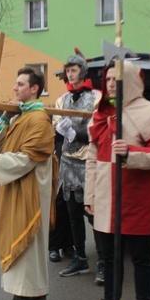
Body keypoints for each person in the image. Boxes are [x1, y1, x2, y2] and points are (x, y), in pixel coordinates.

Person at [81, 60, 150, 300]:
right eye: (108, 79)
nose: (110, 83)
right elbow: (92, 159)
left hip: (138, 200)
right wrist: (89, 196)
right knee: (109, 260)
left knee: (141, 260)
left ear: (132, 81)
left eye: (116, 79)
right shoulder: (101, 115)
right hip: (106, 200)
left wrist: (131, 153)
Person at [0, 67, 55, 300]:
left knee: (31, 246)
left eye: (20, 84)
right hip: (13, 190)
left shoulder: (39, 119)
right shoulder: (19, 117)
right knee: (13, 241)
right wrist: (5, 117)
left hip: (31, 192)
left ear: (34, 89)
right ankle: (20, 296)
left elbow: (28, 159)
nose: (14, 88)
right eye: (16, 83)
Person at [52, 49, 104, 282]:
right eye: (67, 71)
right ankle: (80, 257)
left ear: (82, 71)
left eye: (73, 70)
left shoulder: (97, 97)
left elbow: (100, 126)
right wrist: (62, 131)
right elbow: (56, 121)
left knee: (94, 215)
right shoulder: (61, 100)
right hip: (68, 161)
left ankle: (103, 261)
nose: (70, 75)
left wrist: (78, 133)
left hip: (89, 161)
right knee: (73, 213)